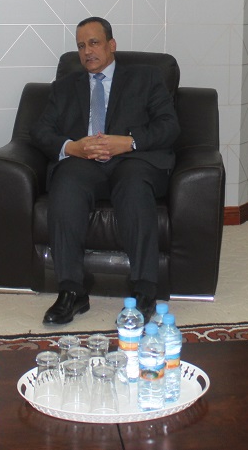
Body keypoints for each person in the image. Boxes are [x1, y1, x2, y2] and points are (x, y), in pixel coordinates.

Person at [31, 17, 180, 326]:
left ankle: (144, 290)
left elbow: (169, 126)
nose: (87, 51)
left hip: (133, 160)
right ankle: (72, 291)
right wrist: (72, 147)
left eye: (94, 43)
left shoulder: (146, 78)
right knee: (65, 184)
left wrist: (129, 142)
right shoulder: (64, 87)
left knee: (134, 186)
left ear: (111, 45)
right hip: (84, 163)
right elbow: (40, 131)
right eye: (81, 46)